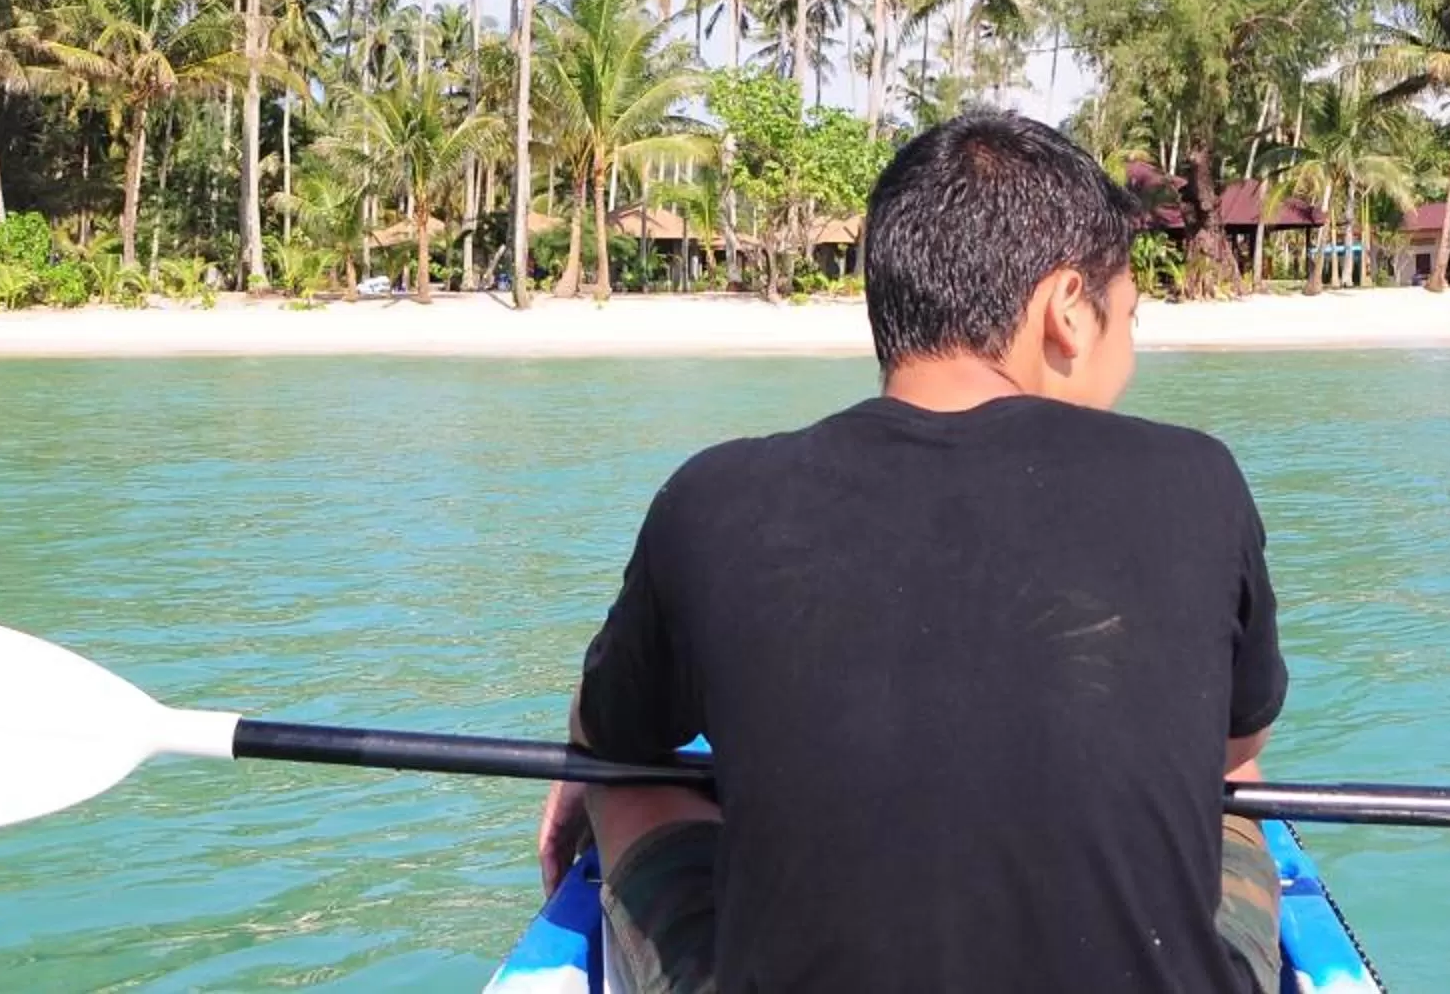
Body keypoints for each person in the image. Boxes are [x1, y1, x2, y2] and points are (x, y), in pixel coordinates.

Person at [539, 108, 1289, 992]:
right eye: (1130, 320)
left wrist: (583, 774)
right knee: (1235, 804)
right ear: (1068, 312)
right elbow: (1236, 745)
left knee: (626, 780)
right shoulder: (1194, 478)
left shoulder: (713, 495)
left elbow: (612, 735)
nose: (1126, 359)